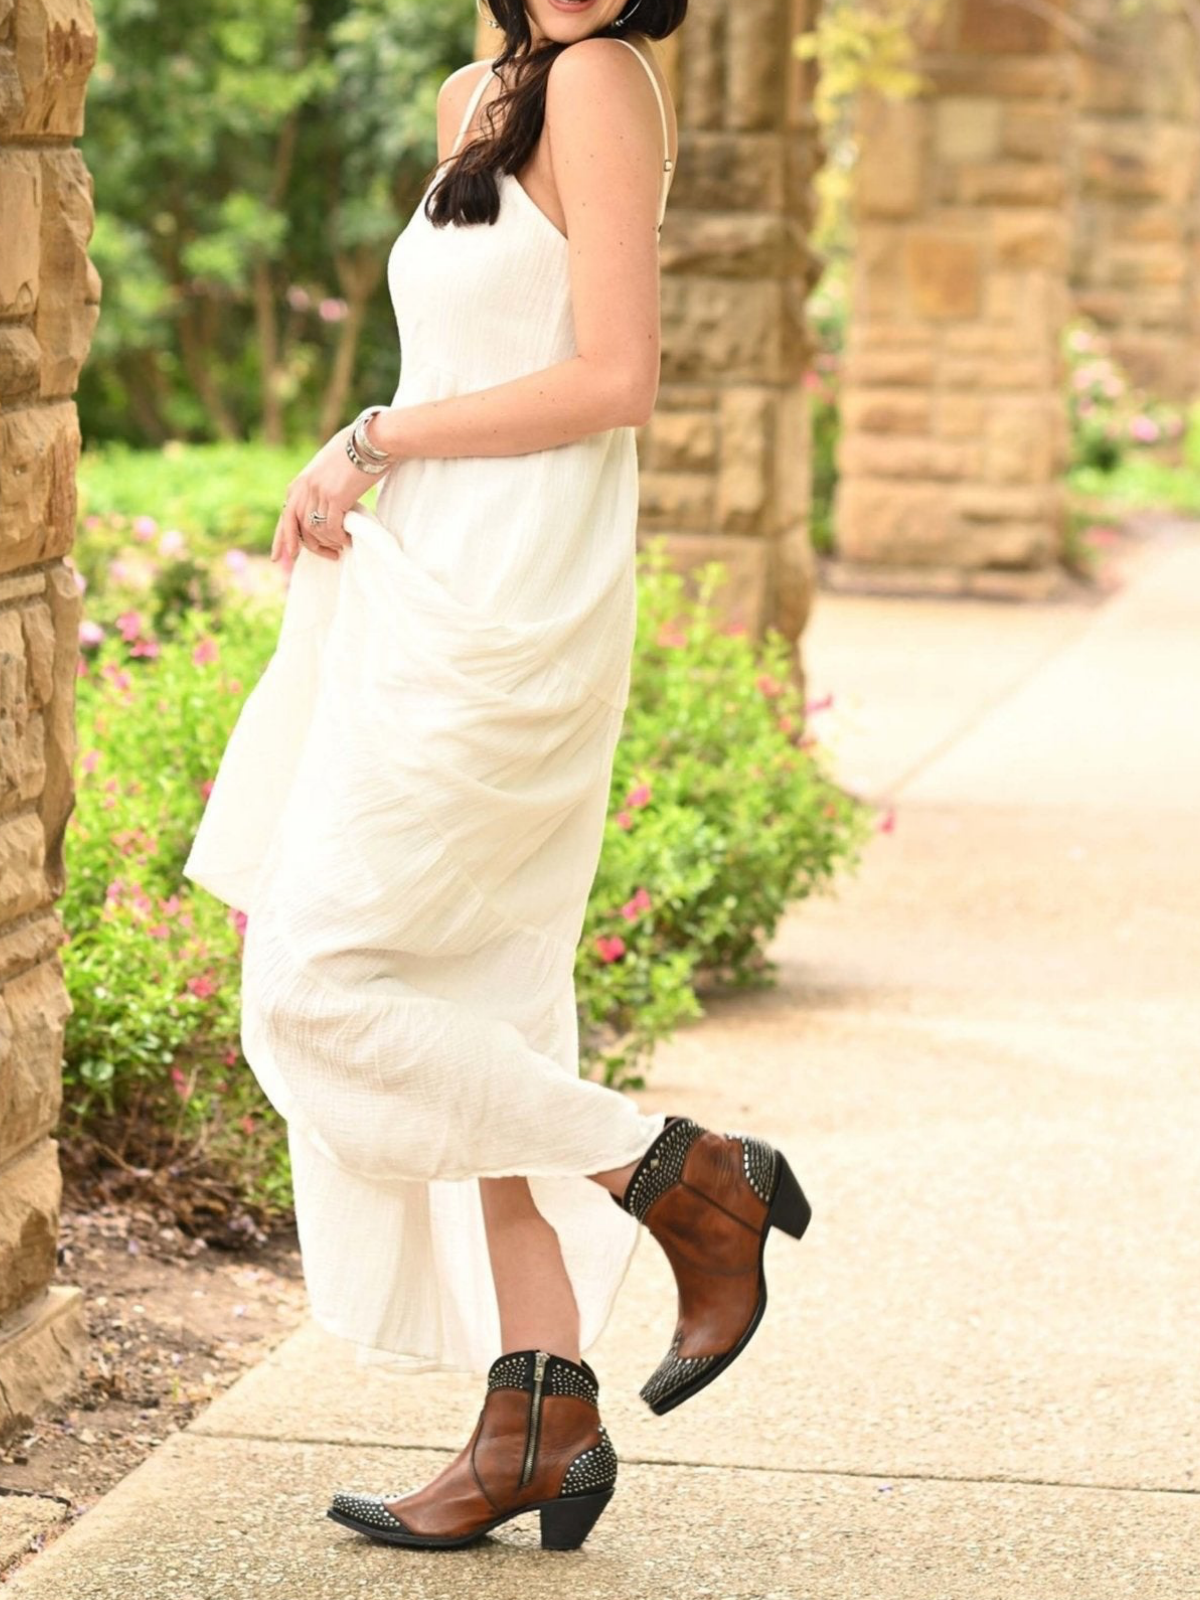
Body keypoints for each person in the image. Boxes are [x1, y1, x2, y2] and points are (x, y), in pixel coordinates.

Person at [182, 0, 811, 1554]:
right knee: (470, 1007)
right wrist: (379, 468)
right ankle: (540, 1413)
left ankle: (686, 1175)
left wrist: (372, 436)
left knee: (316, 987)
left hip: (512, 604)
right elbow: (473, 338)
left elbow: (616, 378)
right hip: (427, 582)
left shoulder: (602, 80)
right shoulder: (477, 89)